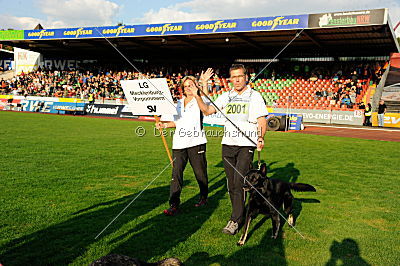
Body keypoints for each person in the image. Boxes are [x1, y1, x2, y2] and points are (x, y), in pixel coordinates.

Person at [188, 64, 267, 235]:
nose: (237, 80)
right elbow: (208, 111)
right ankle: (240, 212)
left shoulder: (255, 96)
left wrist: (260, 137)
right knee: (231, 184)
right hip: (227, 145)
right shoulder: (226, 96)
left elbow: (261, 120)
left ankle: (235, 220)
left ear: (246, 77)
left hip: (246, 145)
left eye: (240, 76)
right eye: (233, 77)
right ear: (230, 79)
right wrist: (198, 94)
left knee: (239, 182)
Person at [156, 70, 213, 216]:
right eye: (186, 86)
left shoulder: (199, 99)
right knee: (176, 175)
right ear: (182, 88)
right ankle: (174, 204)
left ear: (196, 86)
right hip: (179, 144)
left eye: (191, 85)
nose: (188, 88)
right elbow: (176, 122)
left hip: (196, 142)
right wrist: (164, 125)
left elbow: (206, 105)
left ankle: (203, 197)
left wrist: (204, 83)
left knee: (200, 174)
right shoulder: (178, 103)